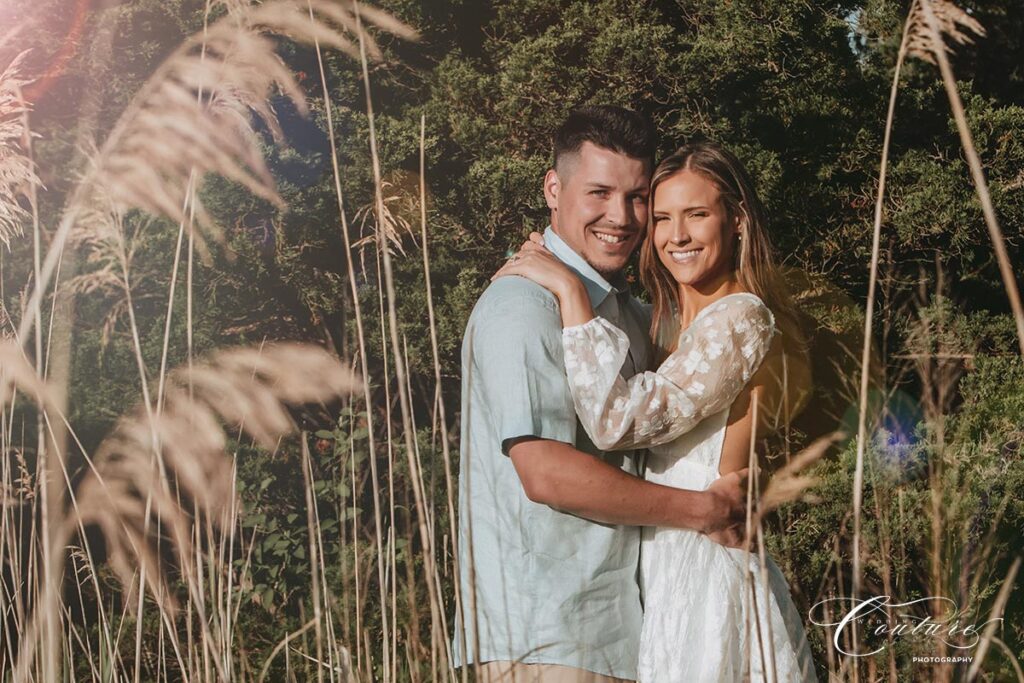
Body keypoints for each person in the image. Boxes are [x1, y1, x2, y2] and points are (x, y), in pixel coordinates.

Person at [495, 140, 818, 681]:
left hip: (703, 565)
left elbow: (617, 420)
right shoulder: (676, 327)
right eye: (663, 217)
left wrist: (571, 293)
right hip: (665, 562)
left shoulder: (740, 319)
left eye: (697, 214)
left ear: (736, 219)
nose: (677, 236)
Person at [452, 108, 750, 683]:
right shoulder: (522, 306)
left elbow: (713, 354)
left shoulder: (625, 313)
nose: (621, 217)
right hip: (545, 634)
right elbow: (546, 474)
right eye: (599, 193)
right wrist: (703, 510)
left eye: (638, 198)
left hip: (617, 631)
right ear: (553, 188)